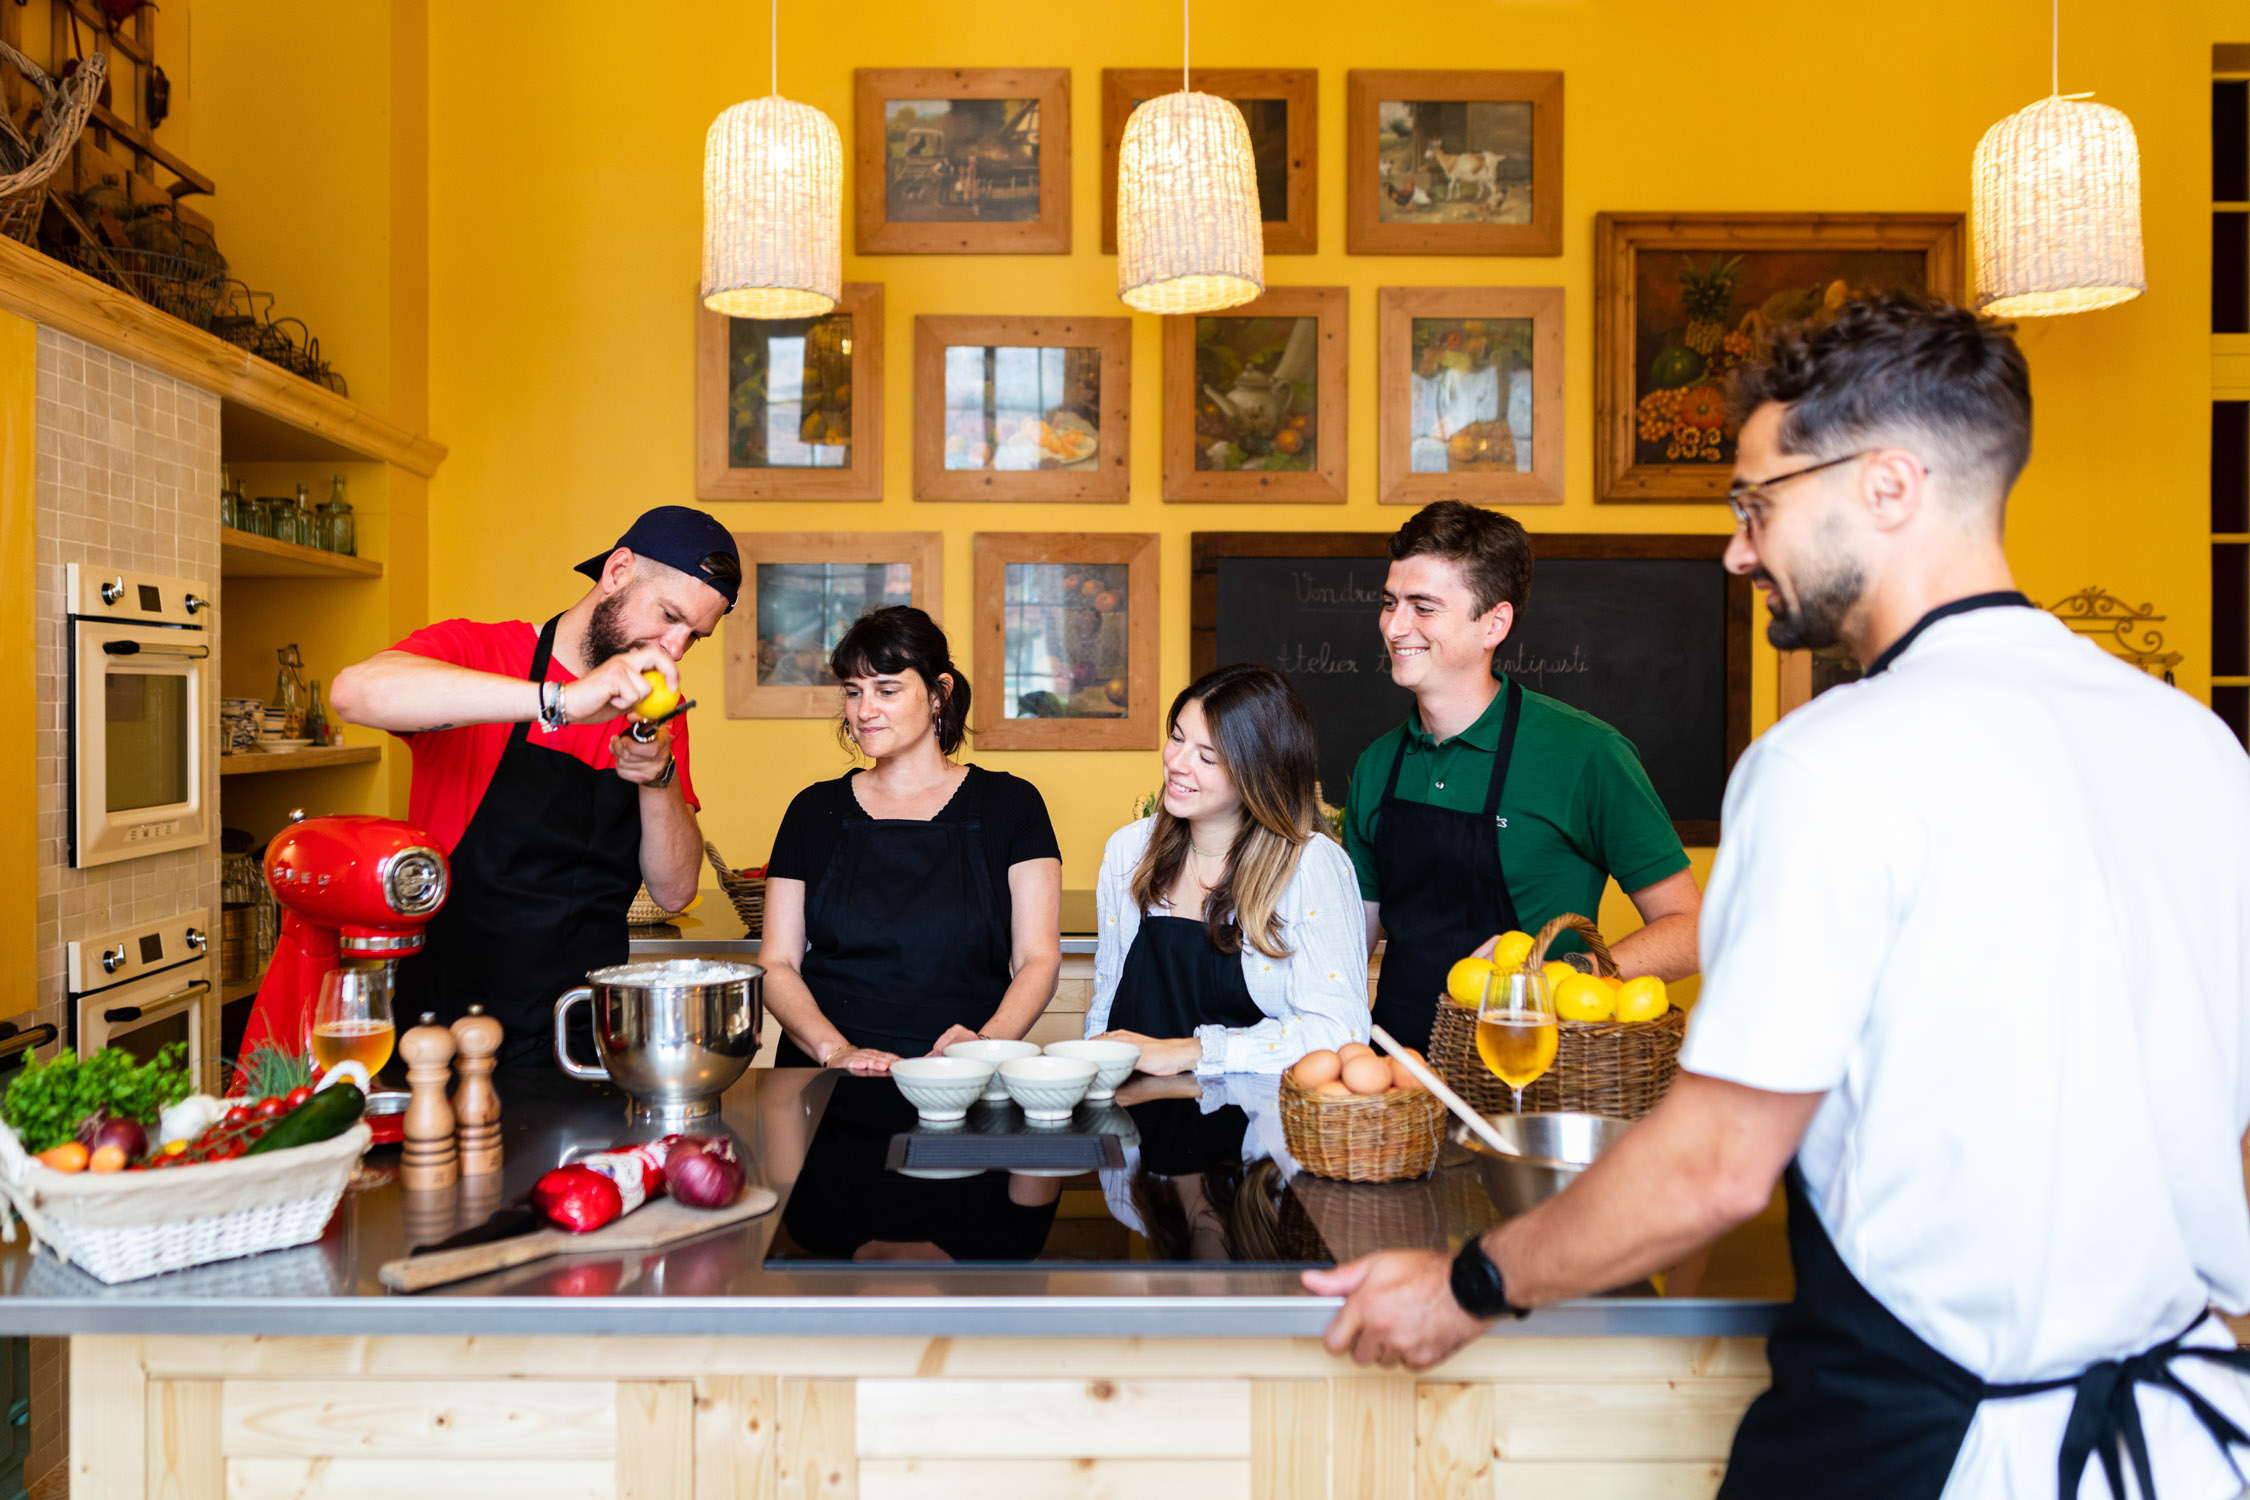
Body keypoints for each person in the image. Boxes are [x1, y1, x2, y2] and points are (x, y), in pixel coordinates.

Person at [1308, 293, 2250, 1498]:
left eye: (1758, 504)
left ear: (1890, 485)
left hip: (1929, 1442)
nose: (1737, 551)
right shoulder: (2191, 745)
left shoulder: (1830, 761)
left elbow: (1714, 1168)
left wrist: (1466, 1283)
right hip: (2179, 1440)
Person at [242, 505, 736, 1069]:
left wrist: (659, 777)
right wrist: (559, 702)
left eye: (693, 637)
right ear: (618, 571)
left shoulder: (660, 711)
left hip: (582, 1037)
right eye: (669, 615)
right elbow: (354, 692)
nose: (673, 648)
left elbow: (674, 891)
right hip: (447, 1038)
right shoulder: (484, 654)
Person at [1342, 501, 1701, 1054]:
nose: (1394, 625)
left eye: (1423, 607)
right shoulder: (1377, 764)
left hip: (1534, 1081)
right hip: (1399, 1082)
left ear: (1494, 623)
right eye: (1390, 603)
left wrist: (1569, 971)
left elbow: (1692, 930)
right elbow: (1351, 950)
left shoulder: (1587, 754)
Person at [761, 606, 1061, 1073]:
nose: (865, 711)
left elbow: (1038, 959)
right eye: (854, 692)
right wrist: (837, 1052)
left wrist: (984, 1044)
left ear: (938, 693)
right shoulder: (812, 811)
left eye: (887, 690)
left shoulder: (1012, 805)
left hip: (962, 1078)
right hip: (825, 1081)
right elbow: (777, 963)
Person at [1089, 663, 1369, 1076]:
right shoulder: (1129, 850)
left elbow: (1340, 1031)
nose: (1177, 763)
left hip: (1253, 1129)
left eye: (1207, 756)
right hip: (1134, 1126)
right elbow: (1107, 1003)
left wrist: (1193, 1051)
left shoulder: (1310, 865)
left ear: (1258, 772)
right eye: (1177, 738)